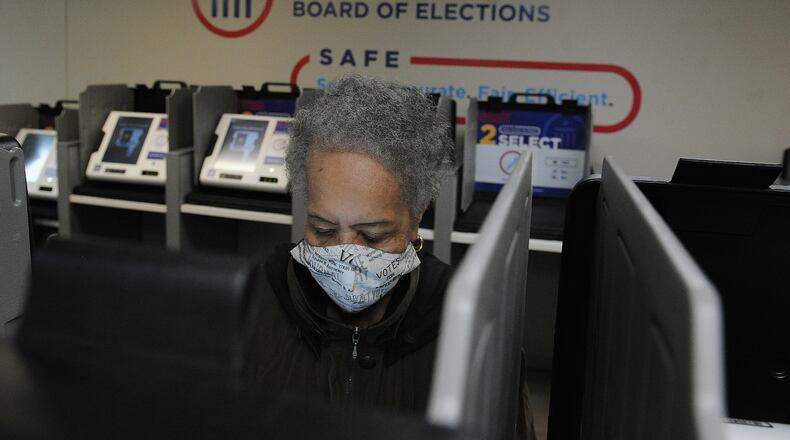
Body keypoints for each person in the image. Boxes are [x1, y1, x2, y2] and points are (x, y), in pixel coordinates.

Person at [242, 74, 455, 413]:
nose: (345, 255)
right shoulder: (254, 303)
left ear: (416, 218)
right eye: (323, 229)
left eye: (373, 236)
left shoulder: (460, 320)